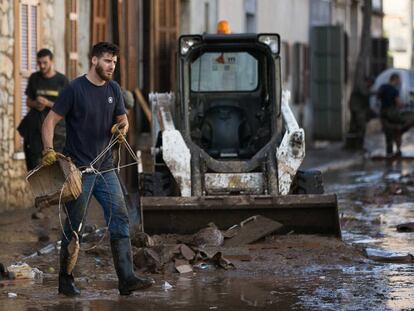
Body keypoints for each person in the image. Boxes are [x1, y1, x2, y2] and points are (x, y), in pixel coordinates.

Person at [41, 42, 154, 296]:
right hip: (79, 172)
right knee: (74, 226)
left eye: (114, 61)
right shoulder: (74, 89)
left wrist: (121, 128)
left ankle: (126, 278)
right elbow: (49, 121)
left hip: (106, 169)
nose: (111, 66)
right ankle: (65, 279)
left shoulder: (114, 89)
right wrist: (48, 149)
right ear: (93, 61)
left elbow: (123, 119)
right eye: (106, 61)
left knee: (120, 216)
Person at [18, 48, 69, 170]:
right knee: (36, 167)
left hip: (57, 133)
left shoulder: (62, 80)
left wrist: (48, 103)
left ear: (51, 61)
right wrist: (35, 104)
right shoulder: (34, 78)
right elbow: (28, 101)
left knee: (57, 167)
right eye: (39, 63)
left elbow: (68, 107)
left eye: (45, 63)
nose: (41, 66)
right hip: (35, 131)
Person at [377, 73, 406, 157]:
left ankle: (389, 153)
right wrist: (404, 105)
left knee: (388, 134)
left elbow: (378, 98)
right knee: (399, 129)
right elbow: (398, 103)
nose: (399, 82)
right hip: (392, 114)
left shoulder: (382, 87)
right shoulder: (394, 90)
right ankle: (398, 150)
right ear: (395, 79)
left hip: (383, 113)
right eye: (399, 80)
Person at [345, 77, 374, 150]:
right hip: (357, 109)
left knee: (354, 128)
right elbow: (365, 93)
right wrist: (377, 92)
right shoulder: (362, 86)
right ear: (368, 82)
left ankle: (351, 145)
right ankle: (357, 146)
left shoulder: (363, 86)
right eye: (371, 84)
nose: (371, 86)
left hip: (357, 109)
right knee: (361, 127)